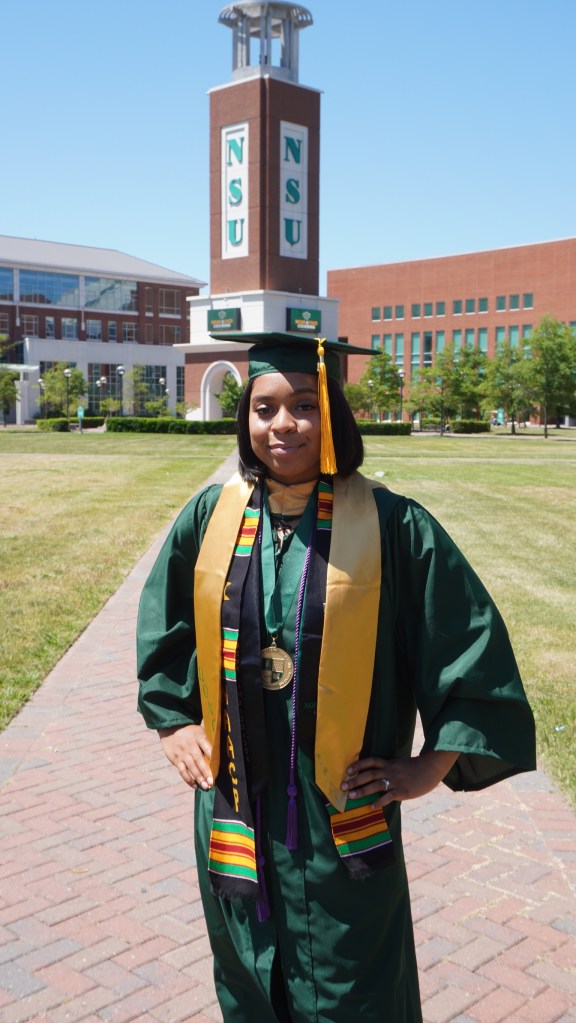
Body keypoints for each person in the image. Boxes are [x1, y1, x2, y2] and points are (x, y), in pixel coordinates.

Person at [136, 332, 536, 1023]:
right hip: (240, 807)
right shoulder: (212, 516)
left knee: (356, 990)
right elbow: (166, 624)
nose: (282, 425)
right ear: (245, 418)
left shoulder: (392, 524)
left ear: (332, 416)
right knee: (248, 976)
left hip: (341, 816)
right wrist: (173, 722)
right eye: (264, 408)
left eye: (304, 405)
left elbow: (466, 642)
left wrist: (431, 766)